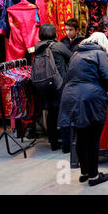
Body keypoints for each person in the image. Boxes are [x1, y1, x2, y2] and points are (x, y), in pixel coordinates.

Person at [58, 32, 108, 186]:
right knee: (93, 138)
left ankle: (84, 172)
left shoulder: (76, 53)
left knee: (81, 136)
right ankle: (94, 176)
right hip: (89, 98)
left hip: (70, 96)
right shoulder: (99, 54)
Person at [33, 24, 71, 152]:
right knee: (64, 113)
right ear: (54, 33)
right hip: (59, 84)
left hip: (44, 84)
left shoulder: (37, 47)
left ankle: (53, 143)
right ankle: (66, 145)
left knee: (51, 114)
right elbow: (71, 57)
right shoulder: (58, 46)